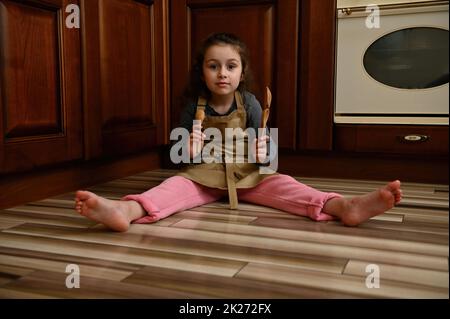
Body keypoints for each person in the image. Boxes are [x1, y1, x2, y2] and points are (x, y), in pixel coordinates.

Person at [74, 33, 402, 232]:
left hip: (248, 176)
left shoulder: (253, 104)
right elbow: (178, 159)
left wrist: (265, 155)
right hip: (202, 176)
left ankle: (345, 207)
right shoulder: (192, 108)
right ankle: (124, 211)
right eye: (213, 65)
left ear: (241, 72)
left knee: (289, 186)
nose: (222, 73)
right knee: (170, 188)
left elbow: (269, 156)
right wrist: (187, 148)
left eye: (230, 66)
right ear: (201, 72)